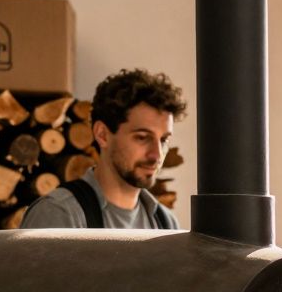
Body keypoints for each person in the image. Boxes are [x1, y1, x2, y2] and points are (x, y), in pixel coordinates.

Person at [22, 69, 185, 229]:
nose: (156, 155)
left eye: (163, 140)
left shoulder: (166, 224)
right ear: (102, 135)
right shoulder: (59, 214)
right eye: (142, 137)